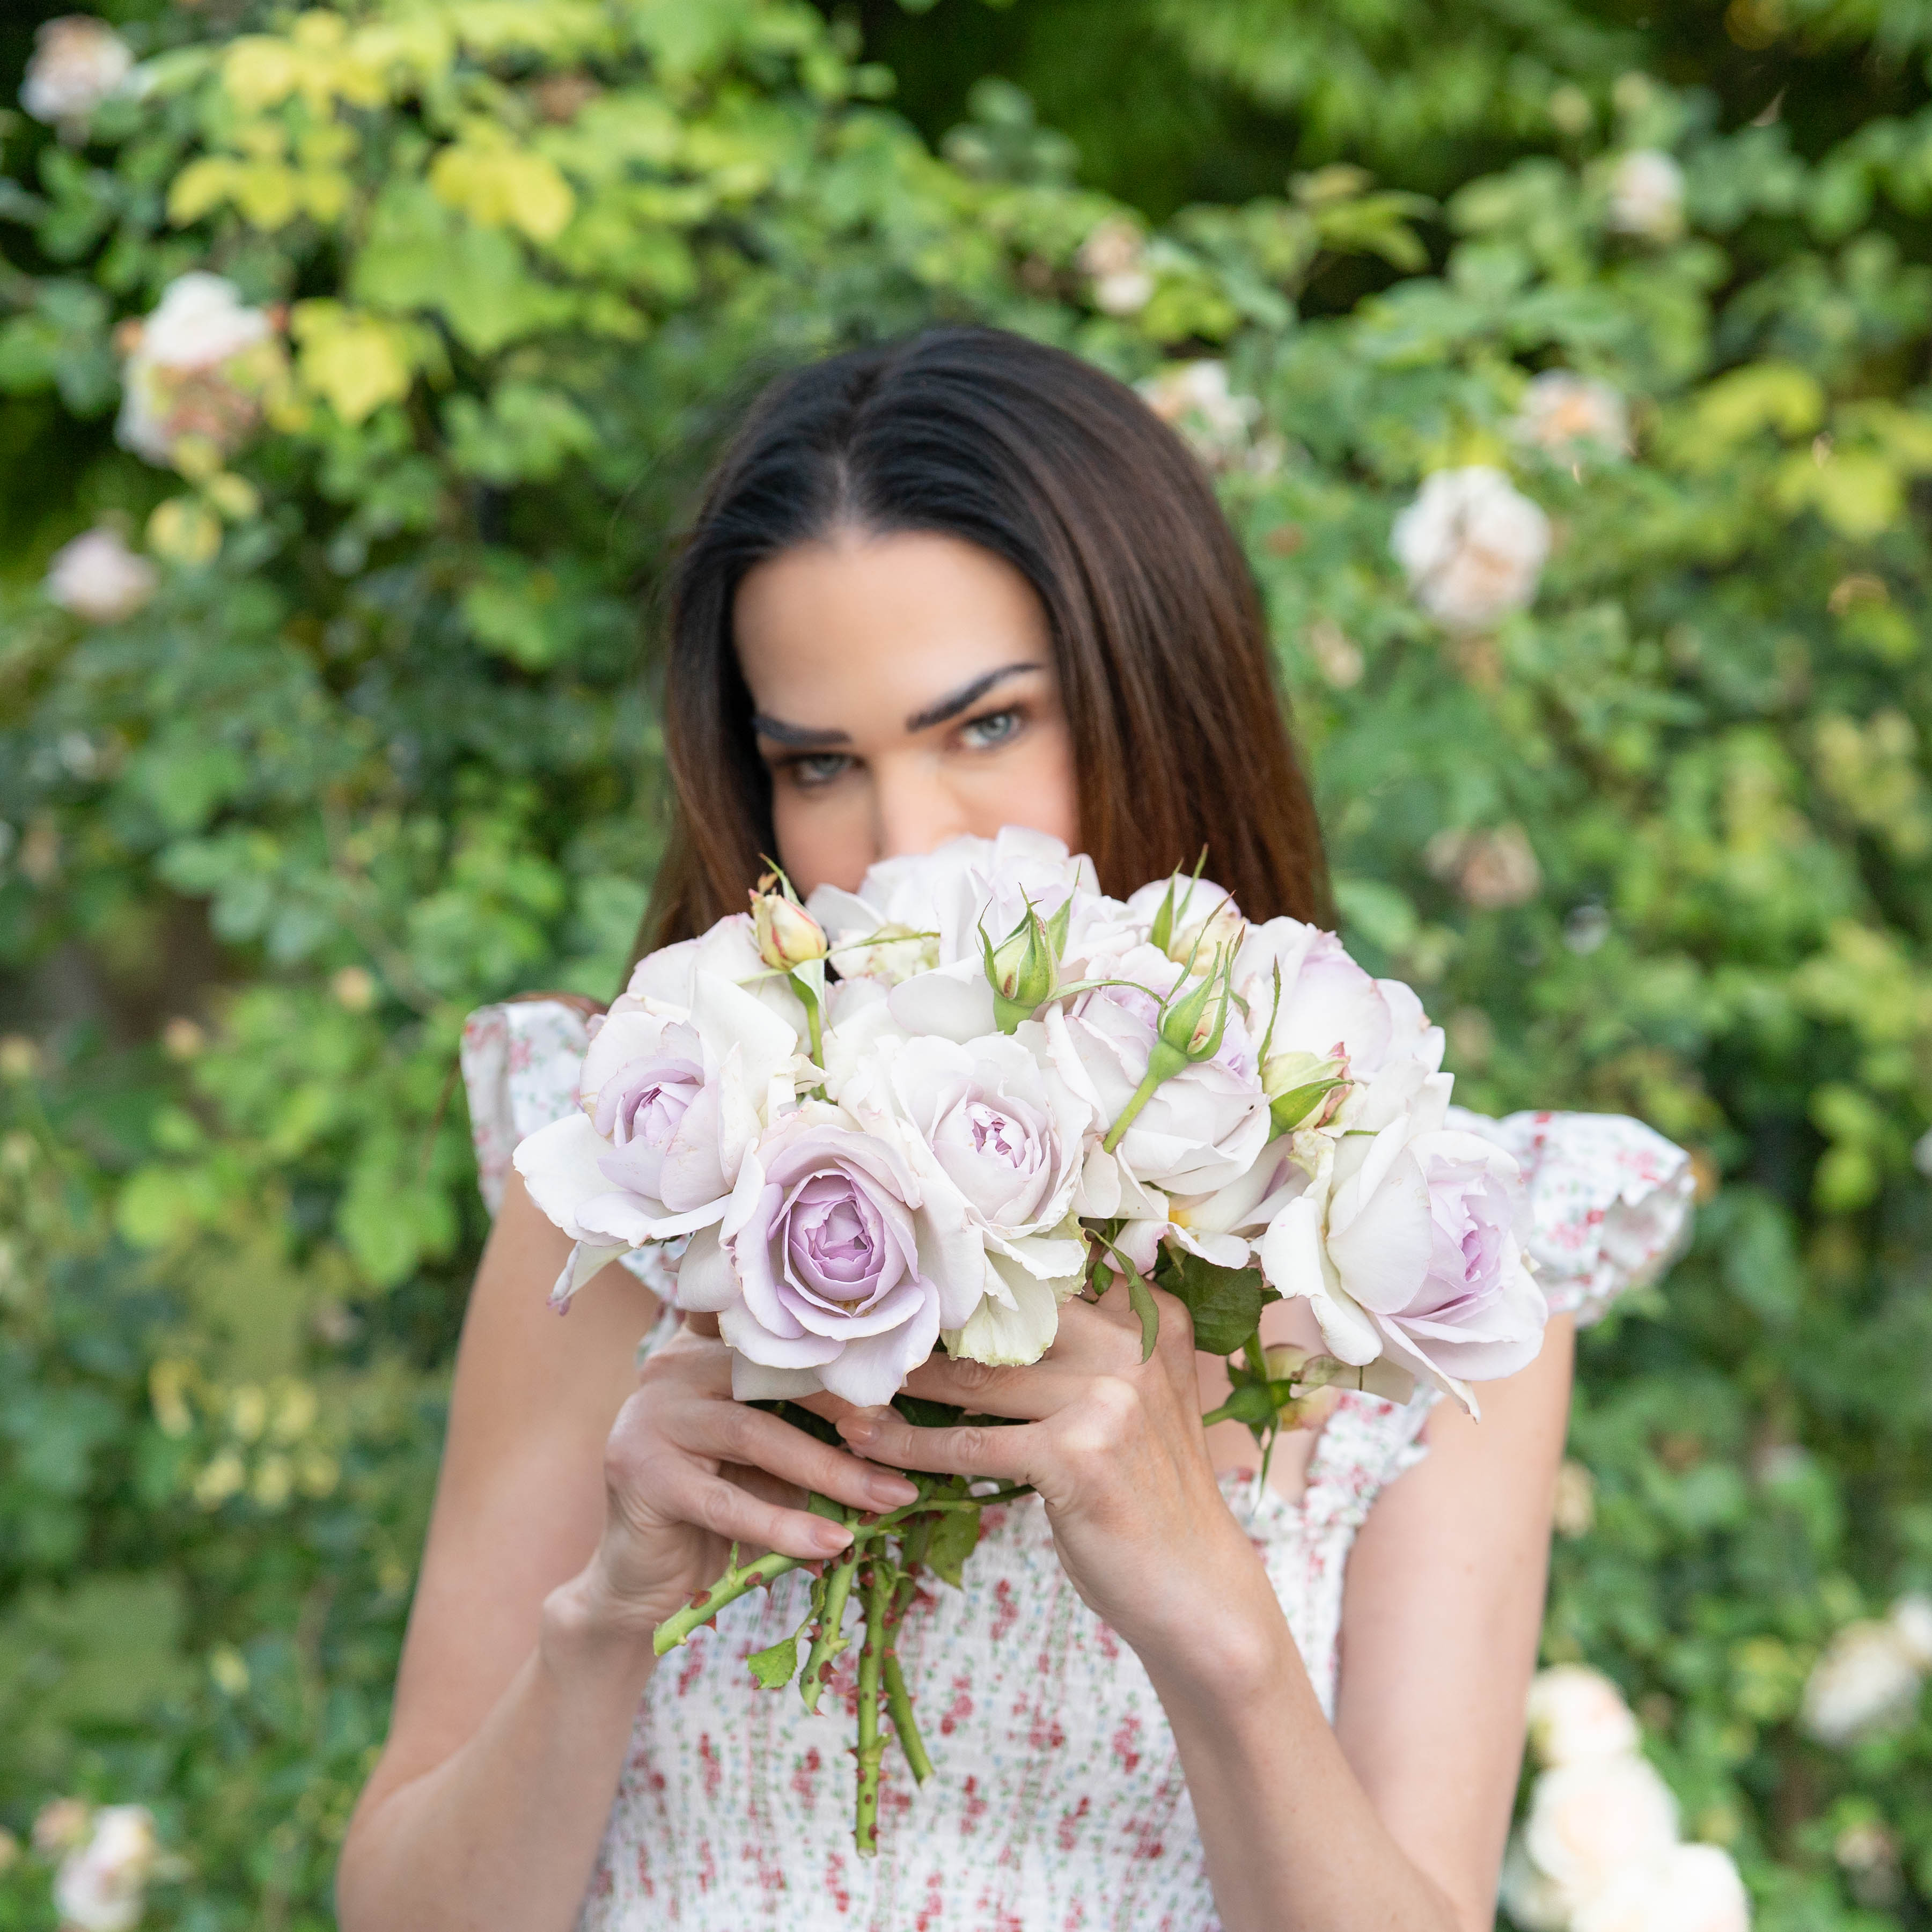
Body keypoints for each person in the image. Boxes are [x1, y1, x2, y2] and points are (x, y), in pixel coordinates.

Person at [335, 328, 1693, 1932]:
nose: (904, 842)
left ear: (1159, 697)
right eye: (819, 762)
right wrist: (602, 1617)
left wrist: (1219, 1629)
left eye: (985, 726)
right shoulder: (638, 1174)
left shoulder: (1424, 1249)